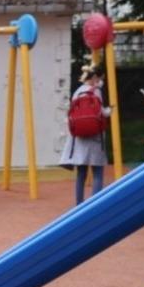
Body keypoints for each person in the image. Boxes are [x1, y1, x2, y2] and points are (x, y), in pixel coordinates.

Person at [60, 65, 111, 206]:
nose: (101, 81)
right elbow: (101, 112)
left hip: (79, 137)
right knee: (97, 172)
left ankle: (79, 204)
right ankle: (95, 205)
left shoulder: (77, 92)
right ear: (95, 77)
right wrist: (110, 110)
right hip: (95, 137)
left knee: (81, 173)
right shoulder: (96, 91)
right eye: (100, 78)